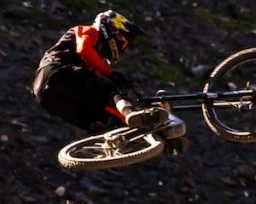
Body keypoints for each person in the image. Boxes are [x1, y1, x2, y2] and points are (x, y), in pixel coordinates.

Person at [32, 9, 183, 144]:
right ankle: (130, 114)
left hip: (45, 94)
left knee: (100, 118)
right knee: (110, 91)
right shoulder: (88, 30)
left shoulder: (86, 64)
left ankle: (127, 140)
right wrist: (111, 75)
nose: (123, 48)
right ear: (113, 30)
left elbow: (92, 82)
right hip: (58, 71)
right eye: (123, 42)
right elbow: (84, 49)